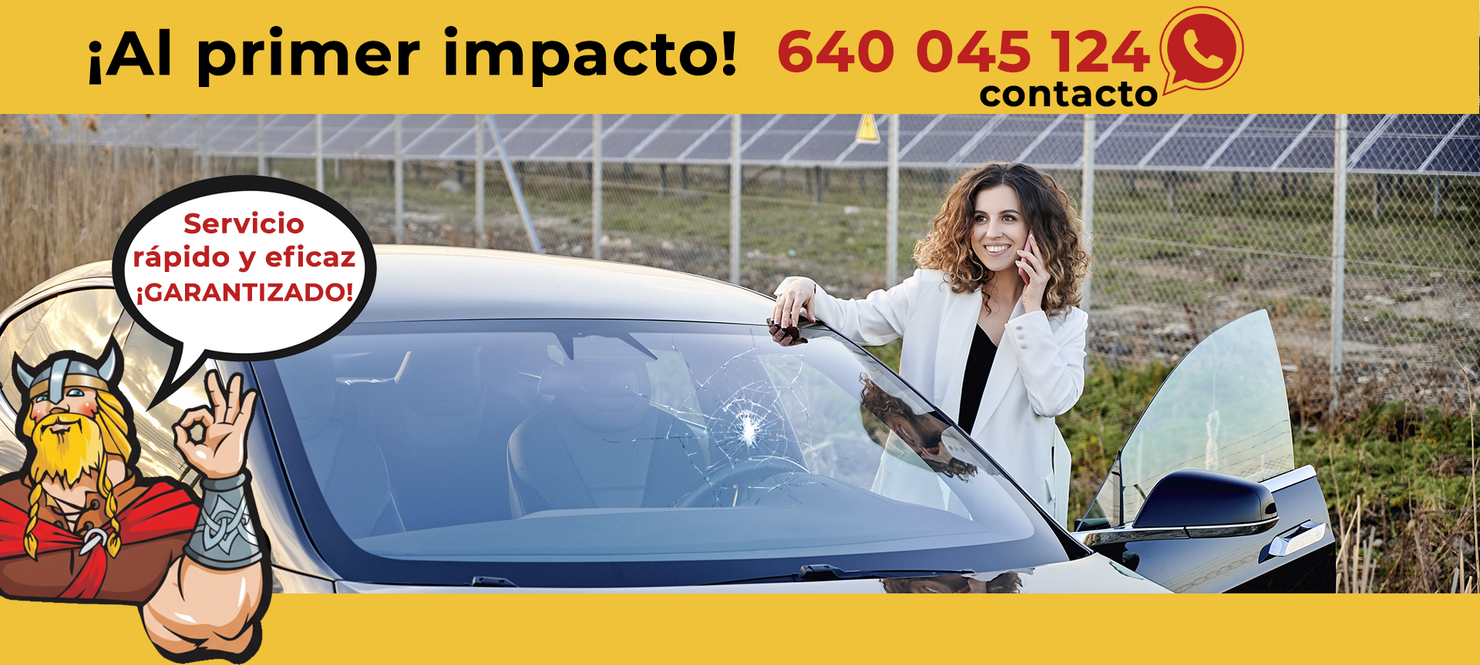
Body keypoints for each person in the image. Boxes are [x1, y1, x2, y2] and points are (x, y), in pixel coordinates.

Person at [771, 162, 1090, 525]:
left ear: (1037, 227)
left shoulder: (1063, 322)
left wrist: (1032, 309)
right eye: (980, 218)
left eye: (1008, 218)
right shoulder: (933, 291)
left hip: (1009, 508)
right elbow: (851, 320)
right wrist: (802, 286)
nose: (991, 232)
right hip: (921, 496)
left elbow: (1053, 401)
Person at [0, 340, 268, 661]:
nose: (57, 407)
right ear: (30, 419)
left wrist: (224, 481)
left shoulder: (165, 507)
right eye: (42, 399)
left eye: (74, 394)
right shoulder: (6, 506)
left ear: (107, 412)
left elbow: (217, 619)